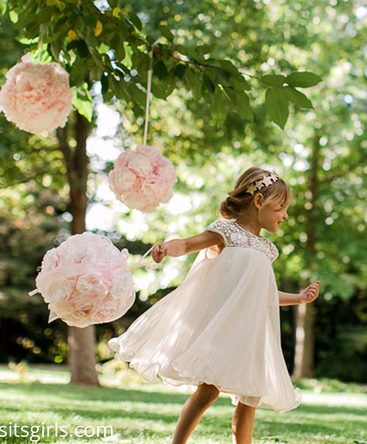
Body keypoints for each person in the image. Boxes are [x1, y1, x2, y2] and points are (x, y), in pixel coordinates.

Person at [109, 167, 320, 444]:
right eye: (281, 207)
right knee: (208, 392)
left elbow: (263, 293)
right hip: (223, 331)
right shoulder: (226, 233)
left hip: (251, 334)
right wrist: (165, 249)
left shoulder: (268, 250)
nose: (285, 215)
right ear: (259, 202)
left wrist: (299, 298)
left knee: (250, 397)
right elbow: (186, 244)